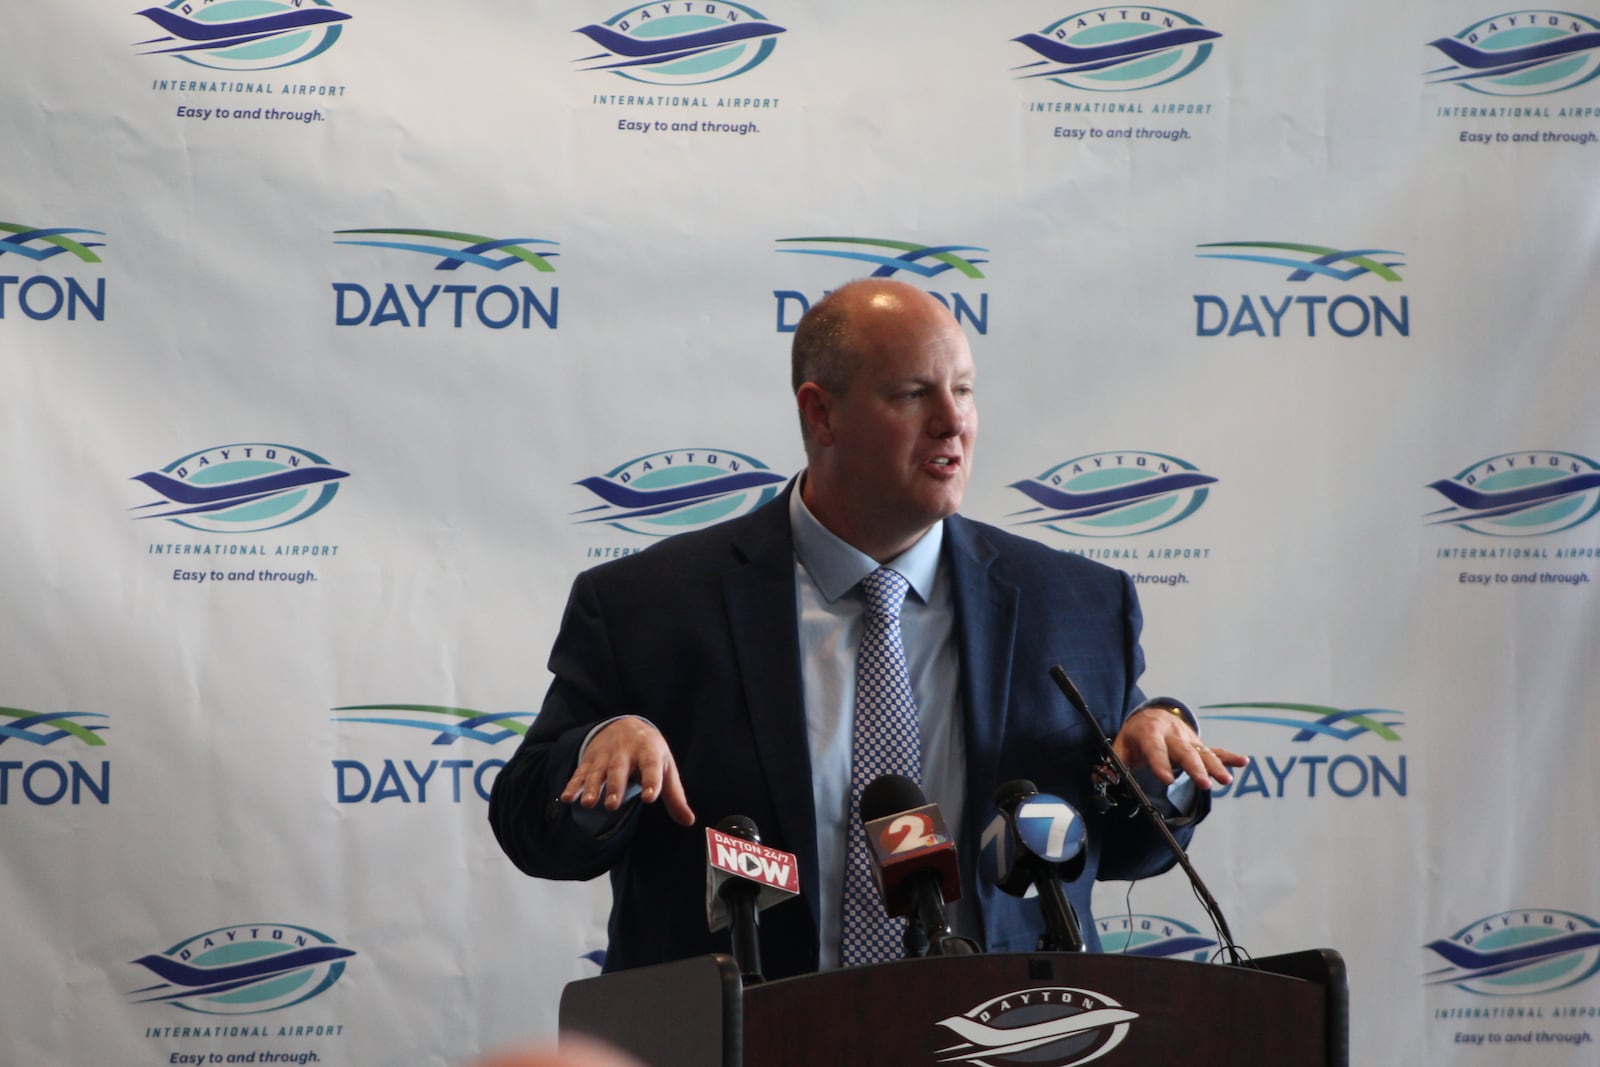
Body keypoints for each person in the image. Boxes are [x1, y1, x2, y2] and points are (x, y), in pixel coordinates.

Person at [489, 279, 1245, 979]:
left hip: (1003, 1033)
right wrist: (598, 755)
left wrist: (1150, 778)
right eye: (914, 393)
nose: (953, 421)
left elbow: (1125, 852)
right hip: (742, 1040)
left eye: (964, 390)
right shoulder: (649, 605)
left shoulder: (1075, 601)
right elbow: (533, 829)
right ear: (821, 413)